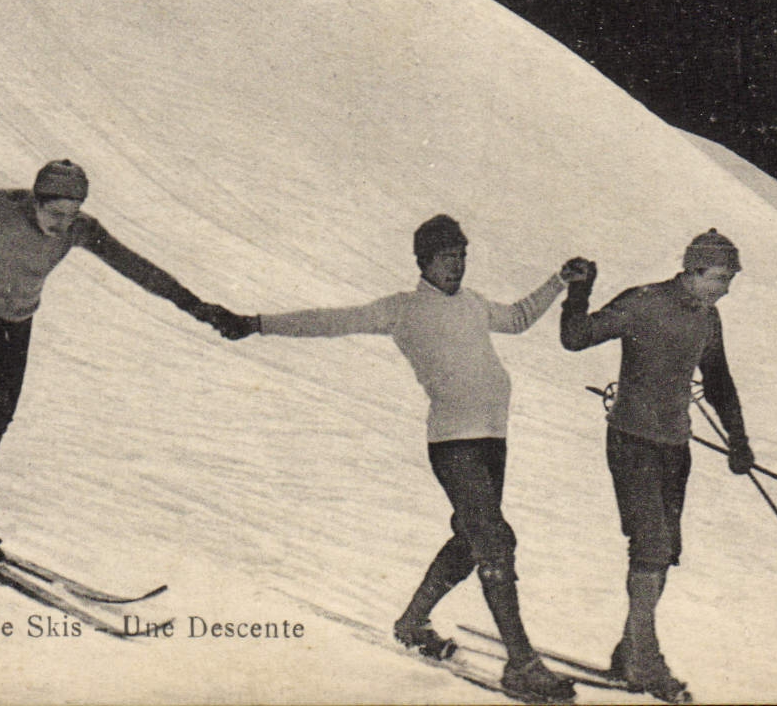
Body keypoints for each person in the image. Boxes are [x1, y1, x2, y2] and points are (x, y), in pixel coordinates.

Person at [215, 215, 579, 705]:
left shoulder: (472, 303)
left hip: (493, 440)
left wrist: (559, 280)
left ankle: (412, 622)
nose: (457, 266)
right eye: (446, 257)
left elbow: (516, 318)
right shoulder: (402, 310)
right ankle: (521, 664)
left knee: (473, 537)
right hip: (454, 443)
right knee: (493, 540)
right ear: (423, 261)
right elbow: (331, 321)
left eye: (462, 256)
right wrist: (258, 324)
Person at [0, 159, 234, 563]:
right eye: (55, 213)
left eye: (72, 214)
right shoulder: (0, 207)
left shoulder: (80, 230)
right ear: (36, 200)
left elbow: (137, 268)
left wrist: (194, 305)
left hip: (19, 318)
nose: (63, 224)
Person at [557, 230, 754, 705]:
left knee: (663, 552)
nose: (726, 289)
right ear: (694, 270)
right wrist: (580, 291)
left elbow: (718, 380)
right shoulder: (643, 303)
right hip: (632, 441)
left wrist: (738, 438)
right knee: (652, 544)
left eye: (730, 279)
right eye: (721, 278)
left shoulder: (707, 317)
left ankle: (631, 650)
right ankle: (647, 661)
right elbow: (576, 338)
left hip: (674, 446)